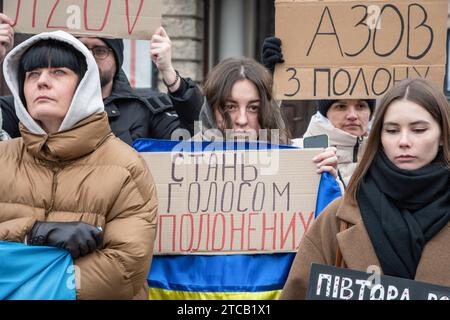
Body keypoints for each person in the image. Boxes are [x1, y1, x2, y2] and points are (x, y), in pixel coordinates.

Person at [0, 30, 158, 299]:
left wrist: (27, 284)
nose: (42, 82)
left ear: (84, 84)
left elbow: (123, 269)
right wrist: (33, 233)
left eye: (58, 72)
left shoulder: (127, 167)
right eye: (32, 74)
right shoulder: (3, 157)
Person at [280, 78, 450, 299]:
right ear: (379, 136)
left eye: (418, 130)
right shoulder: (336, 217)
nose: (404, 141)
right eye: (392, 130)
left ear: (441, 136)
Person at [0, 15, 203, 145]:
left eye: (99, 50)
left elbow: (196, 136)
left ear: (117, 59)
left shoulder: (145, 108)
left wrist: (168, 72)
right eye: (81, 49)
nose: (89, 57)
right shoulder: (31, 106)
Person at [262, 36, 376, 189]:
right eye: (341, 107)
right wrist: (272, 82)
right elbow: (264, 144)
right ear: (325, 113)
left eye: (361, 106)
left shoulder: (388, 157)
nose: (352, 115)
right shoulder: (299, 151)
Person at [197, 57, 338, 176]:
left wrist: (328, 184)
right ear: (211, 110)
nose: (242, 120)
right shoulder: (181, 161)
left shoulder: (299, 158)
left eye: (253, 108)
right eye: (230, 107)